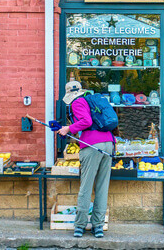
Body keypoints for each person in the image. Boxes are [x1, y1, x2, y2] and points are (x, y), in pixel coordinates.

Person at [57, 81, 114, 238]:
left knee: (86, 187)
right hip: (108, 143)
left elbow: (86, 122)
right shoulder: (91, 99)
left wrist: (67, 128)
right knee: (102, 187)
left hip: (92, 146)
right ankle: (98, 226)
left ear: (69, 94)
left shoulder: (77, 102)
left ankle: (80, 226)